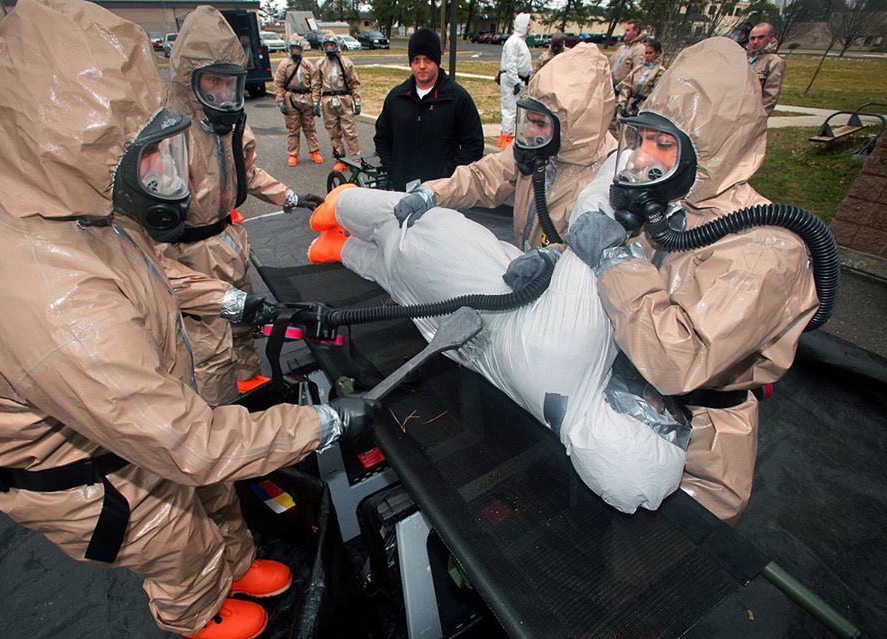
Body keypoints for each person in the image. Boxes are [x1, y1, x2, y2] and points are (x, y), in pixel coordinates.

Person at [0, 2, 376, 639]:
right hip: (89, 471)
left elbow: (145, 271)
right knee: (175, 536)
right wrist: (323, 423)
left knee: (208, 497)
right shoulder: (54, 303)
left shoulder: (61, 199)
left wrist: (228, 300)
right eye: (142, 156)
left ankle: (234, 563)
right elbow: (189, 443)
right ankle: (197, 613)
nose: (162, 177)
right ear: (76, 141)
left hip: (127, 420)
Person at [302, 182, 690, 515]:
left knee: (401, 227)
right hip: (448, 329)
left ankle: (340, 204)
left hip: (457, 269)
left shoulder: (577, 351)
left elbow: (595, 221)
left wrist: (637, 178)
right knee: (394, 275)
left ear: (628, 427)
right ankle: (338, 249)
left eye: (657, 419)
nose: (657, 404)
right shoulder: (565, 417)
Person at [566, 37, 818, 522]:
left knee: (654, 572)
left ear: (711, 148)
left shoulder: (766, 250)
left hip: (700, 446)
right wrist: (561, 258)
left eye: (664, 145)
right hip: (630, 404)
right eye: (641, 141)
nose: (641, 159)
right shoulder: (675, 210)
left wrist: (612, 258)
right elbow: (639, 269)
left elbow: (677, 360)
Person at [161, 6, 323, 407]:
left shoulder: (231, 126)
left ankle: (250, 382)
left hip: (228, 240)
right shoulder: (167, 138)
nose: (222, 94)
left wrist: (289, 196)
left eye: (228, 83)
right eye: (211, 82)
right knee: (210, 344)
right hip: (187, 255)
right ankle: (217, 416)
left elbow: (246, 173)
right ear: (189, 80)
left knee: (242, 324)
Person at [385, 44, 615, 252]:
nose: (528, 133)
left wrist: (557, 258)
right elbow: (483, 177)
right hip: (528, 273)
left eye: (540, 123)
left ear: (573, 127)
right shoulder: (539, 151)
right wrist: (434, 193)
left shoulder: (609, 177)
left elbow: (607, 256)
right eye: (528, 120)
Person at [373, 28, 484, 192]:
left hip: (442, 194)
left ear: (437, 61)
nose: (422, 66)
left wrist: (448, 175)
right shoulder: (397, 98)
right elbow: (382, 138)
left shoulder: (457, 98)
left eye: (427, 59)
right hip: (402, 190)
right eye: (416, 60)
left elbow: (474, 146)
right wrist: (394, 169)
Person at [316, 30, 362, 173]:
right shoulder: (320, 64)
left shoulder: (346, 63)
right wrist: (315, 102)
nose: (330, 48)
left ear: (337, 45)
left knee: (349, 130)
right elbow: (316, 85)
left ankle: (355, 158)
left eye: (332, 44)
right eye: (327, 45)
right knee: (333, 132)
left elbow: (354, 83)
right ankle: (340, 159)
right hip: (327, 100)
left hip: (344, 99)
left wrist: (357, 100)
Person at [274, 34, 324, 166]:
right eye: (293, 48)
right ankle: (293, 154)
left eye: (298, 48)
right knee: (293, 128)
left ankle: (314, 151)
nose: (296, 51)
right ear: (290, 48)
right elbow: (278, 83)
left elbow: (315, 83)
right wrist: (280, 101)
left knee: (310, 127)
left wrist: (315, 102)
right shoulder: (285, 65)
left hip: (306, 97)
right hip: (291, 98)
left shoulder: (307, 64)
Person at [498, 13, 533, 150]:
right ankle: (505, 137)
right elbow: (510, 64)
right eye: (528, 24)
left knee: (515, 110)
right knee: (510, 110)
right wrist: (515, 82)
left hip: (517, 79)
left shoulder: (521, 42)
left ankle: (508, 135)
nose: (530, 28)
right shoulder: (513, 42)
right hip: (512, 80)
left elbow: (523, 62)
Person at [616, 37, 665, 117]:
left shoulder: (660, 72)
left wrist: (644, 108)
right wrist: (622, 103)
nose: (647, 55)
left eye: (650, 53)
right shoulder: (638, 69)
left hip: (644, 108)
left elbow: (656, 93)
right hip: (630, 104)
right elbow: (626, 85)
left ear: (658, 53)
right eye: (646, 53)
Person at [746, 22, 786, 114]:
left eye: (760, 37)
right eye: (752, 38)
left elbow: (770, 95)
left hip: (753, 114)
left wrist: (760, 118)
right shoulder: (743, 57)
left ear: (770, 37)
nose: (755, 42)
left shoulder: (774, 62)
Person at [610, 20, 646, 95]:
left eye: (628, 30)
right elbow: (610, 63)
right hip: (610, 87)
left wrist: (621, 87)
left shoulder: (639, 49)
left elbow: (637, 71)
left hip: (622, 90)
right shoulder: (622, 48)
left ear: (635, 31)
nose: (624, 33)